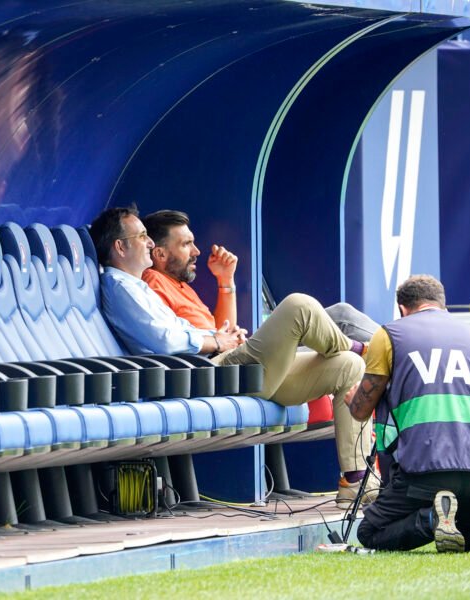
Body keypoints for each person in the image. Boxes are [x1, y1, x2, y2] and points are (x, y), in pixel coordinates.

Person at [89, 205, 374, 504]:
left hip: (229, 367)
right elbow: (165, 340)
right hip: (207, 374)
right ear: (120, 246)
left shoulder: (138, 285)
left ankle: (354, 481)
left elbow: (200, 330)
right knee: (299, 306)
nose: (149, 243)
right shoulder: (121, 286)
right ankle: (364, 349)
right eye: (143, 236)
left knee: (348, 367)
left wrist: (220, 335)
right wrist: (215, 340)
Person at [346, 274, 470, 552]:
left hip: (426, 470)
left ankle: (433, 518)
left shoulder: (390, 334)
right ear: (443, 305)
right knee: (469, 529)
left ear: (402, 309)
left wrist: (352, 397)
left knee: (371, 531)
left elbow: (361, 411)